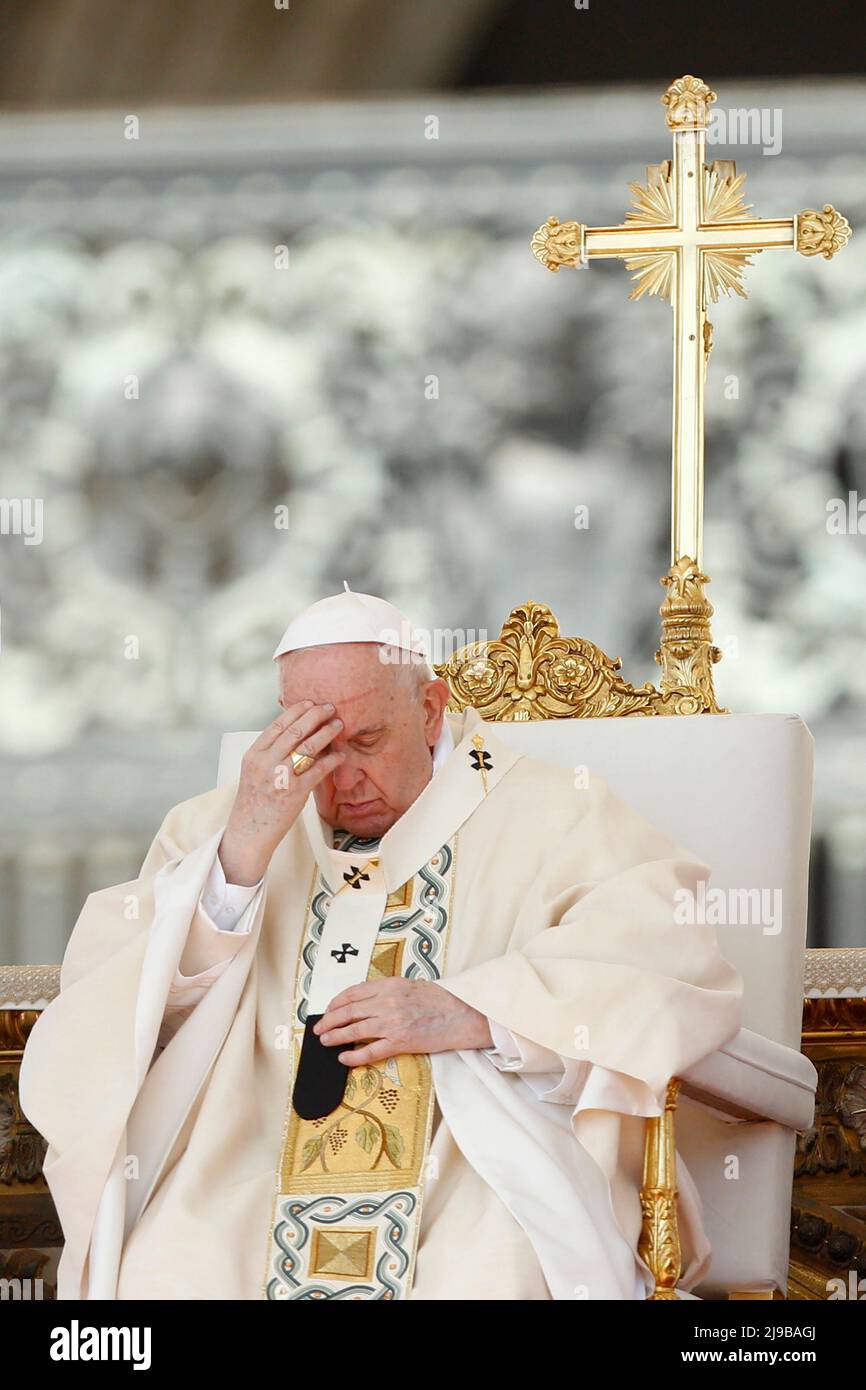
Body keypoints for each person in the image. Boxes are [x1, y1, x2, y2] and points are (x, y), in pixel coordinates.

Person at [19, 588, 743, 1300]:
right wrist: (238, 859)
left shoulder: (557, 811)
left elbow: (665, 952)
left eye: (366, 743)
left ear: (429, 711)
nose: (344, 781)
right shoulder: (229, 826)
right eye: (319, 749)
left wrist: (473, 1010)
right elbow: (130, 1015)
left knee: (493, 1273)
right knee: (167, 1275)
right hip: (246, 1154)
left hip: (475, 1158)